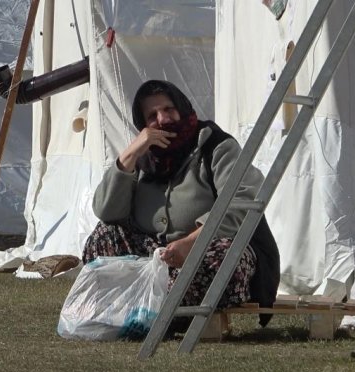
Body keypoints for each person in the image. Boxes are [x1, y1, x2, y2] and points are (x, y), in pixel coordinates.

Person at [83, 80, 279, 319]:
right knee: (102, 236)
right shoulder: (143, 157)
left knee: (225, 258)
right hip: (155, 254)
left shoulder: (215, 147)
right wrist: (130, 154)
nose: (163, 120)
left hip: (205, 247)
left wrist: (192, 242)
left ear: (182, 107)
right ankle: (154, 304)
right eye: (152, 116)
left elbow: (244, 199)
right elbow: (107, 211)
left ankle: (146, 306)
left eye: (168, 109)